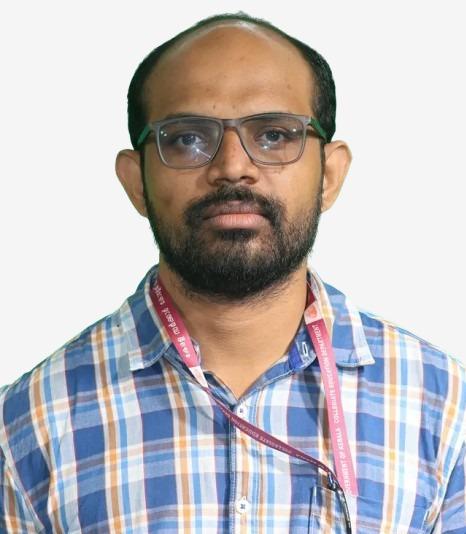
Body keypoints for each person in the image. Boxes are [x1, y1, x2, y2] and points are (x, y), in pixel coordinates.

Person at [1, 11, 464, 533]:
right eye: (187, 139)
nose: (232, 167)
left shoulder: (443, 408)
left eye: (274, 134)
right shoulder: (29, 424)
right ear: (136, 182)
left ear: (329, 176)